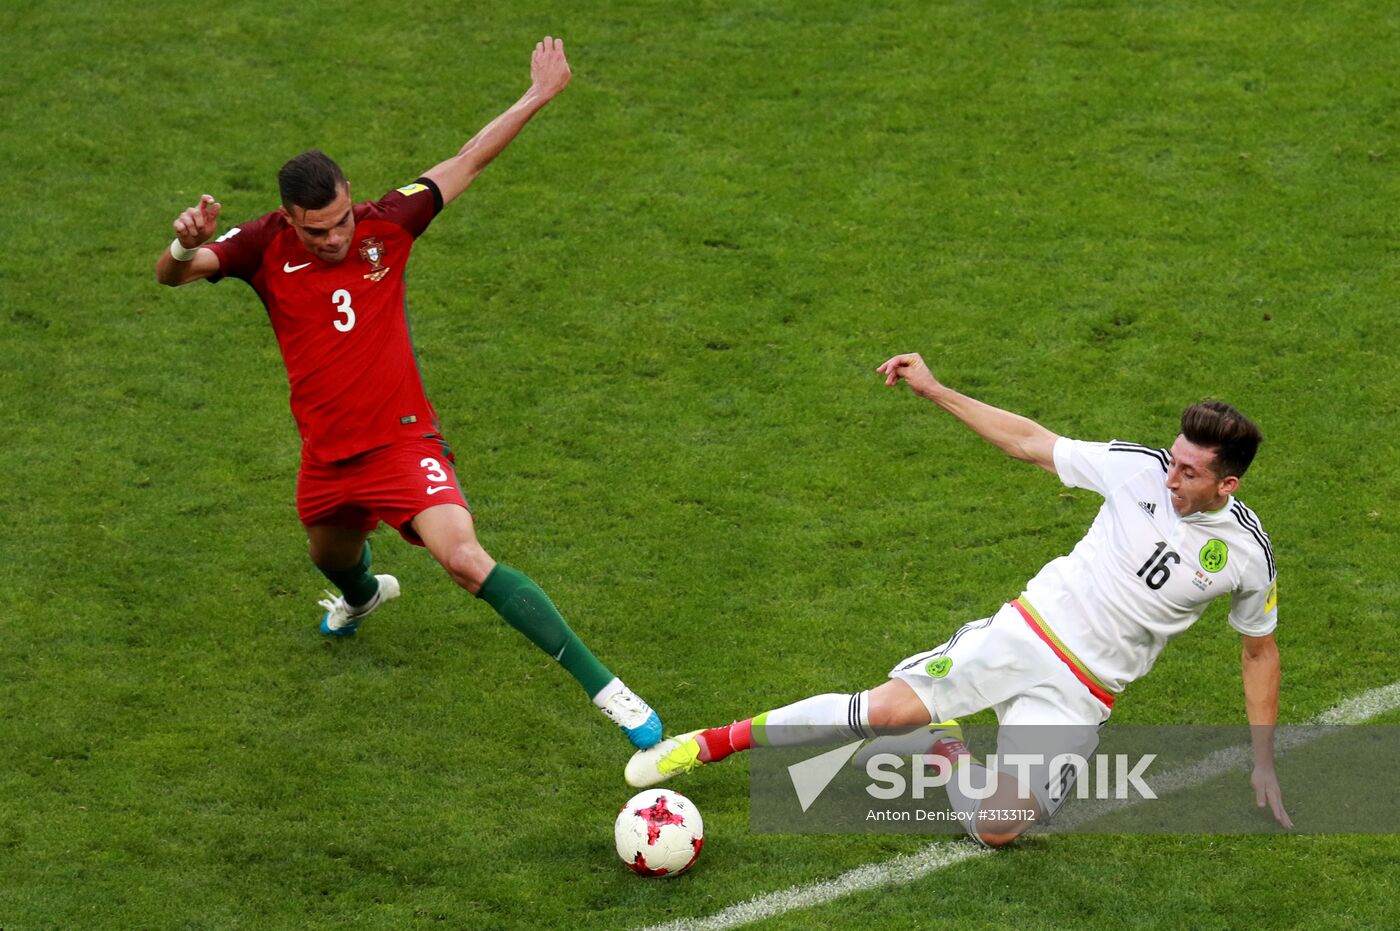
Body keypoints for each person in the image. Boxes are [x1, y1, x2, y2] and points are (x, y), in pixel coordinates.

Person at [154, 37, 662, 749]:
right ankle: (363, 596)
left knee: (463, 558)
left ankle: (611, 692)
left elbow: (469, 158)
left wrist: (537, 95)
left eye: (341, 221)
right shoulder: (261, 246)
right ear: (290, 218)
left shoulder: (389, 221)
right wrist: (183, 245)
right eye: (317, 230)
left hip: (399, 443)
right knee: (331, 558)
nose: (334, 238)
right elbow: (174, 276)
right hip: (327, 460)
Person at [626, 352, 1290, 842]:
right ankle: (710, 742)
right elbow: (1031, 442)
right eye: (1172, 459)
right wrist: (936, 390)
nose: (1169, 474)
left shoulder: (1246, 555)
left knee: (998, 829)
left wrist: (1262, 758)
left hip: (1082, 692)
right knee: (883, 711)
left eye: (1188, 471)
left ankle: (947, 747)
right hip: (1027, 633)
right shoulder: (1134, 468)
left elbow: (1259, 651)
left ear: (1226, 485)